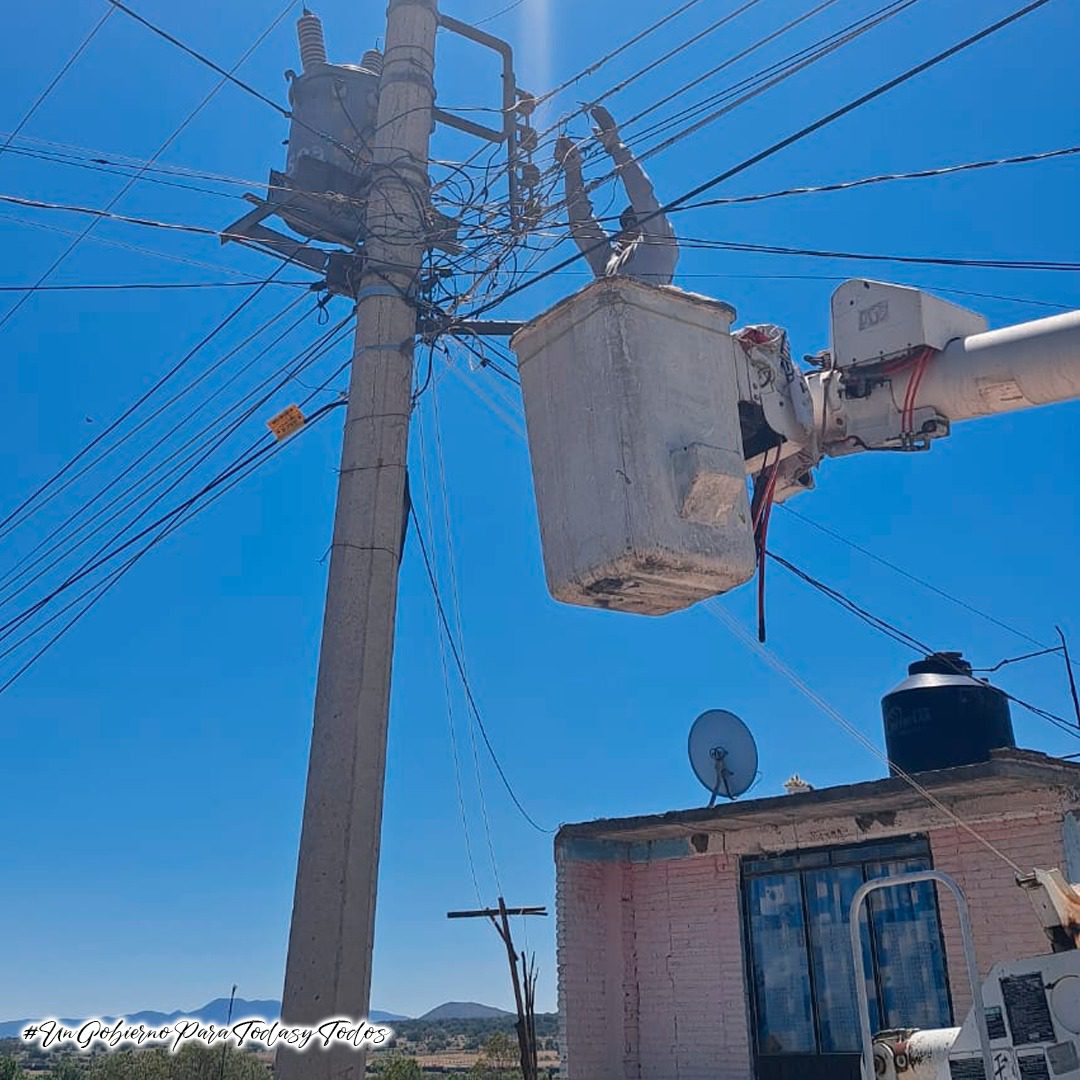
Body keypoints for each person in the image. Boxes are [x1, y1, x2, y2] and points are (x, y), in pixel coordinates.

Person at [554, 105, 679, 286]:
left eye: (633, 221)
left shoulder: (661, 245)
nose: (626, 227)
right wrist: (572, 170)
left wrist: (615, 145)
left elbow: (642, 195)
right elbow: (582, 226)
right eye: (625, 223)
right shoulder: (609, 264)